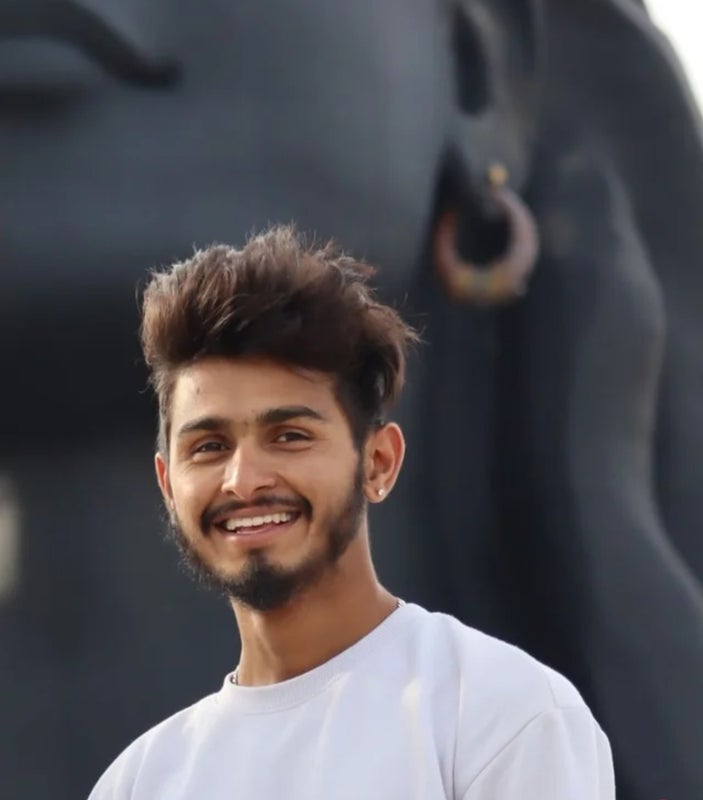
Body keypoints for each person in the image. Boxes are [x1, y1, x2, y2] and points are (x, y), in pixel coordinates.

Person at [88, 225, 615, 799]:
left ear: (379, 463)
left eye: (289, 436)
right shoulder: (138, 782)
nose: (243, 480)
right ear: (168, 484)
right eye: (209, 447)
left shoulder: (501, 715)